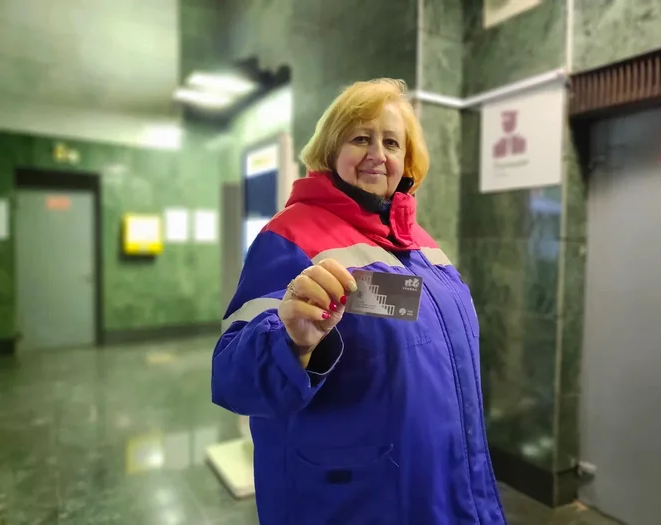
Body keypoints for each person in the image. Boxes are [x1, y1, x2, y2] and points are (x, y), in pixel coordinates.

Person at [212, 78, 506, 525]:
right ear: (331, 149)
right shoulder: (290, 237)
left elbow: (411, 328)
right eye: (361, 138)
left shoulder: (419, 245)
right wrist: (291, 342)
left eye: (391, 142)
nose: (377, 154)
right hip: (359, 499)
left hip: (443, 485)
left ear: (407, 161)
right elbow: (233, 373)